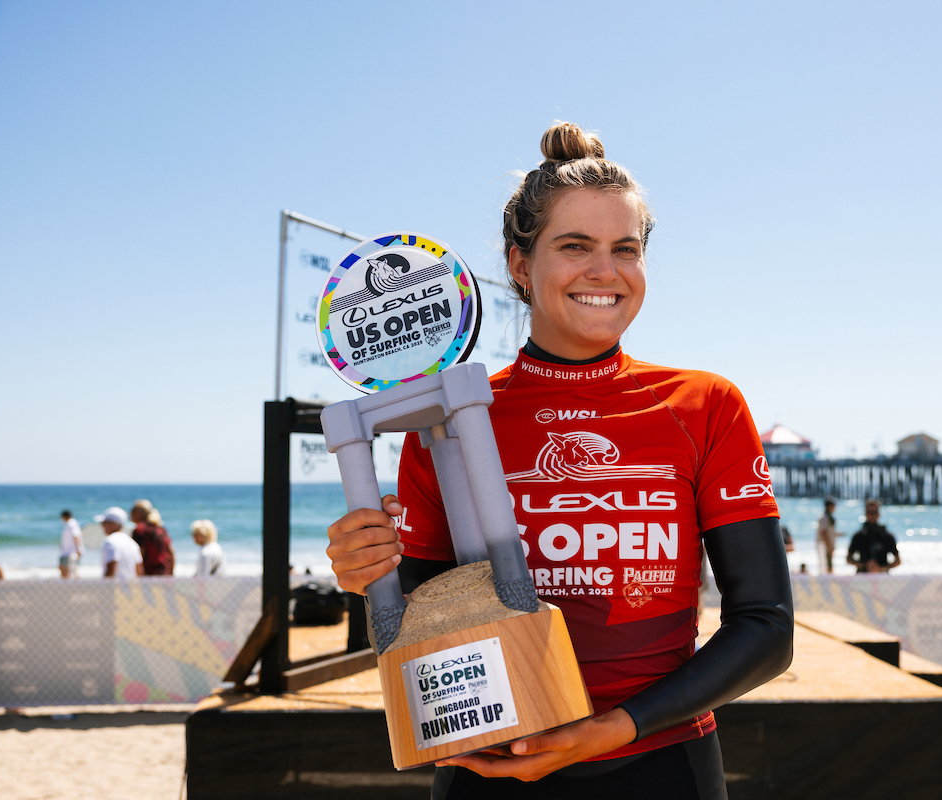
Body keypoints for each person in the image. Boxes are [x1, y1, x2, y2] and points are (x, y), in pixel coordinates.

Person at [325, 122, 793, 798]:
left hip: (664, 766)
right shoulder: (446, 424)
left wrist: (614, 728)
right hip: (490, 768)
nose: (605, 271)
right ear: (520, 264)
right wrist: (367, 571)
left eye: (625, 249)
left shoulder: (705, 404)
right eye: (575, 246)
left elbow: (767, 626)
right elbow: (417, 628)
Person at [846, 499, 900, 573]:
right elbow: (849, 559)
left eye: (874, 512)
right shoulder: (859, 536)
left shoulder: (887, 536)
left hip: (882, 575)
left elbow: (897, 561)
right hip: (863, 575)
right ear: (865, 514)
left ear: (879, 514)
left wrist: (881, 568)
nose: (872, 515)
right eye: (869, 512)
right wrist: (864, 565)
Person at [98, 507, 143, 579]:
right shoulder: (132, 543)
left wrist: (105, 585)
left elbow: (110, 570)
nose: (102, 526)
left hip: (116, 585)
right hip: (131, 585)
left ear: (113, 524)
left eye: (104, 523)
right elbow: (139, 572)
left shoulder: (110, 541)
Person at [132, 505, 175, 576]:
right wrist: (171, 572)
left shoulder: (140, 530)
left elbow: (139, 554)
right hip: (164, 572)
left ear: (139, 513)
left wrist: (139, 575)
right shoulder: (161, 529)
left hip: (149, 573)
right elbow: (171, 552)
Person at [816, 498, 840, 574]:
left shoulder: (829, 517)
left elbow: (830, 532)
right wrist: (829, 546)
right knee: (825, 567)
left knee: (829, 565)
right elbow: (823, 532)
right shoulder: (824, 517)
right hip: (824, 546)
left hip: (827, 545)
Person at [58, 509, 83, 579]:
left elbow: (76, 536)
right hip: (68, 551)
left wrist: (78, 549)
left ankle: (69, 583)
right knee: (70, 569)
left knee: (69, 569)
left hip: (71, 552)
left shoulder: (71, 524)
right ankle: (70, 583)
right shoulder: (70, 524)